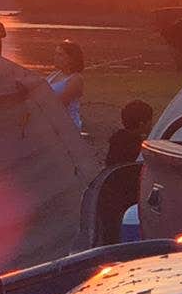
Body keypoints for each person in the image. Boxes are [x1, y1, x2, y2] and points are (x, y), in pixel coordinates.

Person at [97, 100, 154, 245]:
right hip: (125, 199)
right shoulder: (136, 146)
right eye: (150, 121)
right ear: (142, 124)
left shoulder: (117, 141)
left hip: (109, 196)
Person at [47, 39, 85, 131]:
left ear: (71, 58)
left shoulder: (76, 79)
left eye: (60, 55)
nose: (55, 57)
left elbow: (60, 103)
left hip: (67, 126)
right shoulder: (54, 74)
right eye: (55, 54)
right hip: (51, 122)